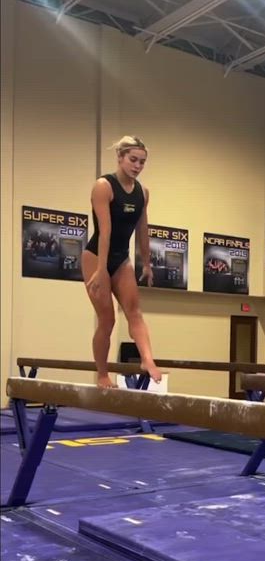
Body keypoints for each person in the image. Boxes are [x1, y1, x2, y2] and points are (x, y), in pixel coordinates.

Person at [82, 135, 162, 388]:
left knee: (134, 312)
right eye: (133, 160)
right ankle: (102, 374)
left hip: (121, 258)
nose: (137, 166)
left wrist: (146, 263)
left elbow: (143, 230)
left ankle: (147, 359)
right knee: (107, 319)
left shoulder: (142, 193)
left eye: (142, 162)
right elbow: (105, 231)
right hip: (96, 256)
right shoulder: (104, 186)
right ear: (120, 157)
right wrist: (102, 270)